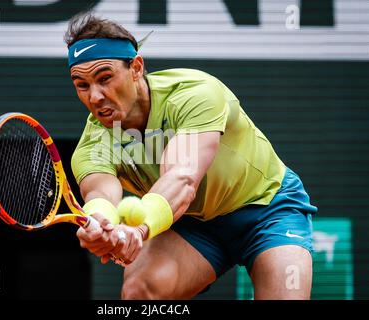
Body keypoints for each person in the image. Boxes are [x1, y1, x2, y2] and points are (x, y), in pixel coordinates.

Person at [65, 13, 318, 300]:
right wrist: (101, 227)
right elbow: (100, 194)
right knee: (139, 292)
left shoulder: (194, 94)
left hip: (267, 209)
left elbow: (182, 177)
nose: (95, 96)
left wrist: (140, 230)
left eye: (105, 78)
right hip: (192, 225)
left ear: (136, 68)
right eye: (82, 85)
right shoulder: (93, 142)